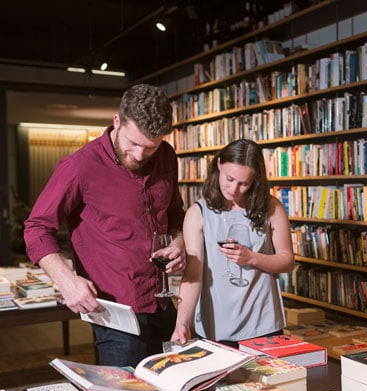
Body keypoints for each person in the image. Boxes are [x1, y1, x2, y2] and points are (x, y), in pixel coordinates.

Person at [24, 83, 187, 368]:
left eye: (150, 147)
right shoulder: (79, 167)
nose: (139, 155)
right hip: (115, 313)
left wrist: (178, 241)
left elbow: (175, 213)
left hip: (163, 303)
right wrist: (66, 281)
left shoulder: (167, 156)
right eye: (133, 143)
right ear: (116, 121)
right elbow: (37, 227)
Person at [174, 139, 294, 347]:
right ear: (219, 164)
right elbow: (194, 272)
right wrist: (182, 323)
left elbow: (287, 261)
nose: (234, 189)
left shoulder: (271, 207)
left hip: (264, 326)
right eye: (229, 179)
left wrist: (252, 258)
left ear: (255, 180)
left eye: (244, 183)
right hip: (216, 327)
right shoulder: (198, 213)